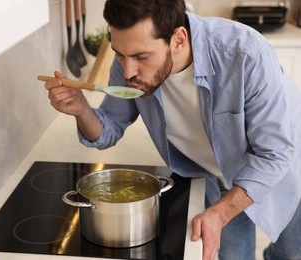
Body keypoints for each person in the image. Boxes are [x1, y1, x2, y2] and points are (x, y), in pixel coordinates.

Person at [44, 0, 301, 259]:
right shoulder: (126, 61)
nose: (128, 71)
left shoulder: (245, 54)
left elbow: (274, 153)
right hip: (215, 178)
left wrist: (219, 213)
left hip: (284, 164)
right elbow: (109, 128)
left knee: (291, 252)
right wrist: (82, 110)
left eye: (141, 57)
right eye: (120, 54)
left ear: (178, 40)